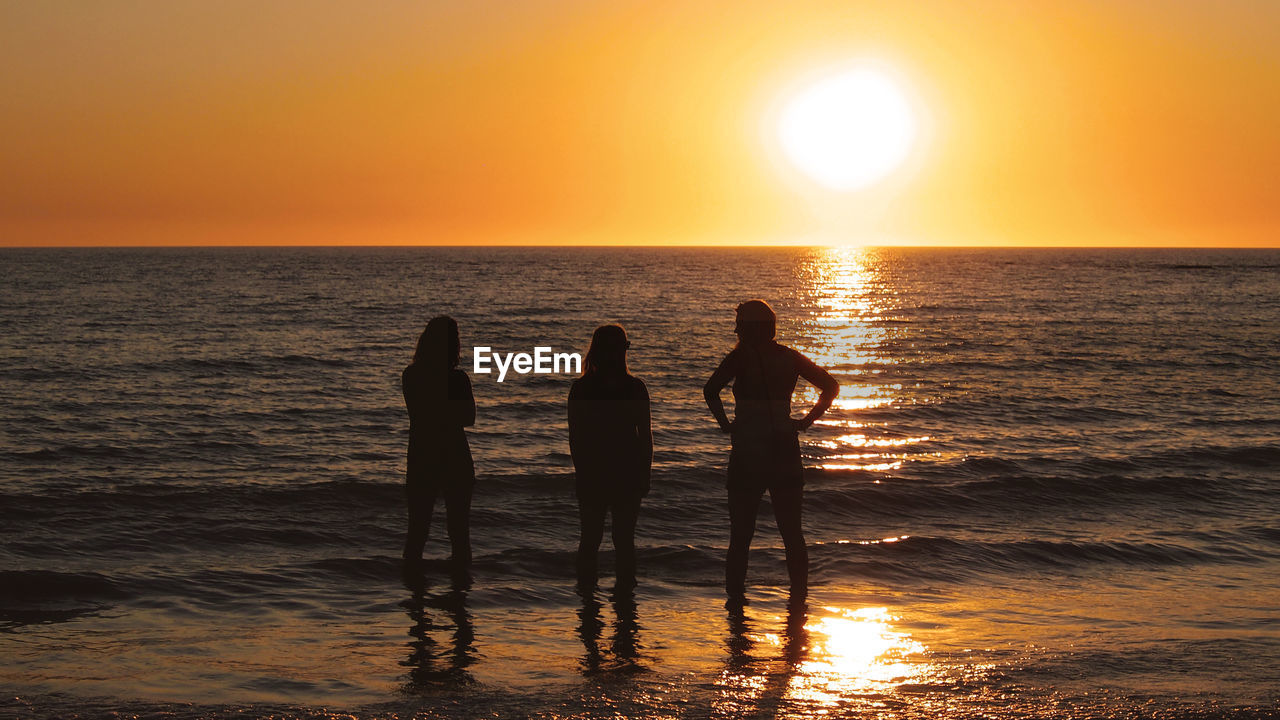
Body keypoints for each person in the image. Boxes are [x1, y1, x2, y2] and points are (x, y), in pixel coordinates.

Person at [704, 300, 839, 606]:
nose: (736, 329)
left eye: (740, 324)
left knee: (740, 534)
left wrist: (727, 425)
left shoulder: (739, 358)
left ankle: (735, 604)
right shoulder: (789, 358)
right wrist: (805, 422)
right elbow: (830, 386)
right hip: (784, 445)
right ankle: (798, 600)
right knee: (792, 532)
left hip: (748, 448)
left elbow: (710, 390)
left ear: (751, 328)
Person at [568, 324, 653, 590]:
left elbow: (576, 438)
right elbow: (645, 437)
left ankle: (588, 601)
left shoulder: (581, 388)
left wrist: (581, 471)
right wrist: (644, 473)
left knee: (590, 539)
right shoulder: (635, 387)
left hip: (594, 470)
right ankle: (625, 602)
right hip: (626, 470)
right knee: (623, 540)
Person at [402, 316, 476, 568]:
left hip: (422, 455)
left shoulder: (412, 375)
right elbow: (468, 417)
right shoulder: (458, 379)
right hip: (454, 455)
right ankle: (458, 596)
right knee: (459, 534)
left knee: (417, 532)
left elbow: (421, 414)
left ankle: (415, 599)